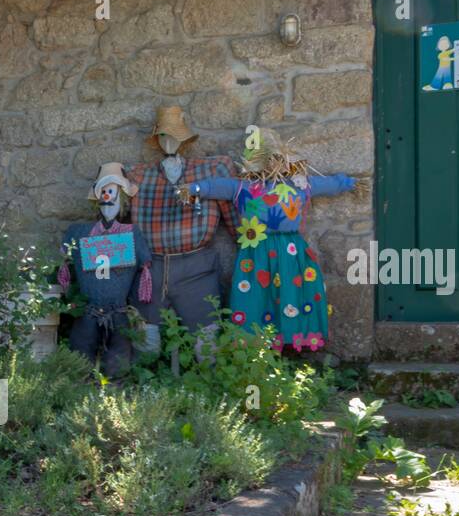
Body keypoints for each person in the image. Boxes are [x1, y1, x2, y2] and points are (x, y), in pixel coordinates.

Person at [186, 130, 355, 353]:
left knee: (289, 293)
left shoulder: (298, 185)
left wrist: (348, 182)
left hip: (290, 252)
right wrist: (194, 189)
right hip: (257, 253)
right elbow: (216, 186)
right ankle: (259, 347)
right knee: (256, 296)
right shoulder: (242, 188)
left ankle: (284, 344)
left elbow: (328, 184)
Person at [125, 106, 239, 350]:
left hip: (196, 266)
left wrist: (247, 242)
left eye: (175, 135)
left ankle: (207, 383)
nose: (169, 142)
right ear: (157, 139)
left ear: (184, 138)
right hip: (151, 268)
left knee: (206, 338)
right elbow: (121, 222)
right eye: (164, 136)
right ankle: (146, 383)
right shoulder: (139, 176)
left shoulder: (209, 171)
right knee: (146, 336)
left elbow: (233, 215)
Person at [57, 163, 152, 377]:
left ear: (123, 199)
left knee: (118, 362)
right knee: (80, 359)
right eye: (104, 192)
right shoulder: (79, 233)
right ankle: (79, 391)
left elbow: (143, 272)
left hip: (118, 310)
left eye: (113, 192)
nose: (107, 198)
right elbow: (64, 259)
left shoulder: (132, 234)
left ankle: (115, 394)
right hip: (88, 310)